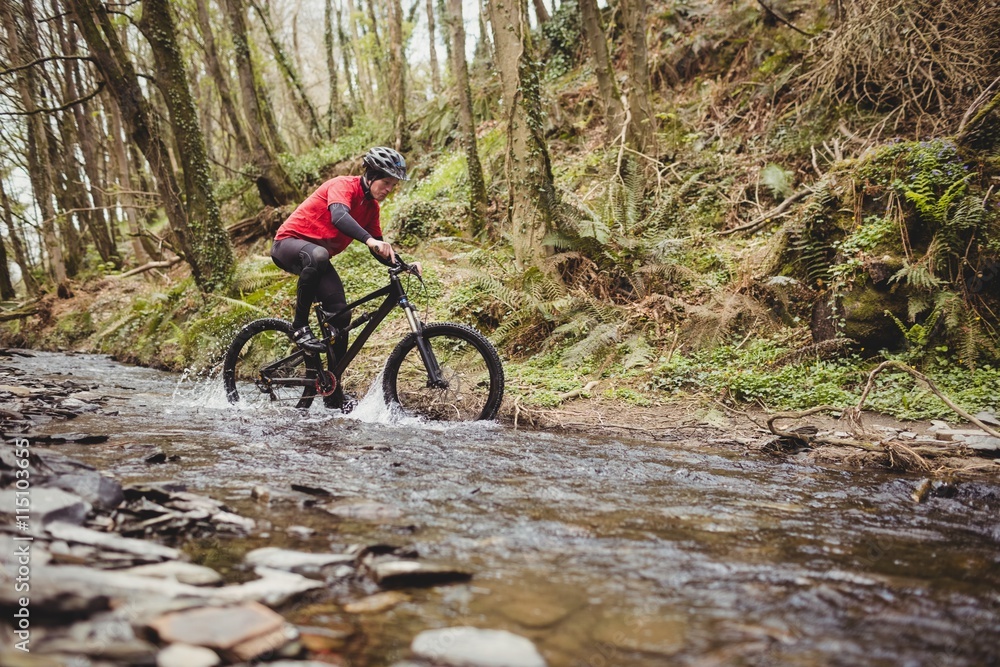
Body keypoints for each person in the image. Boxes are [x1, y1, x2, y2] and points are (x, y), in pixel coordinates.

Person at [271, 146, 410, 409]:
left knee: (341, 316)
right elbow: (339, 216)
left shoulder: (371, 208)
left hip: (318, 259)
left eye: (393, 185)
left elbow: (379, 247)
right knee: (319, 255)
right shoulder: (343, 186)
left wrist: (404, 264)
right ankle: (299, 326)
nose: (389, 189)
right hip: (287, 245)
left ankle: (332, 393)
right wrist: (369, 240)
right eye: (386, 182)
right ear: (371, 175)